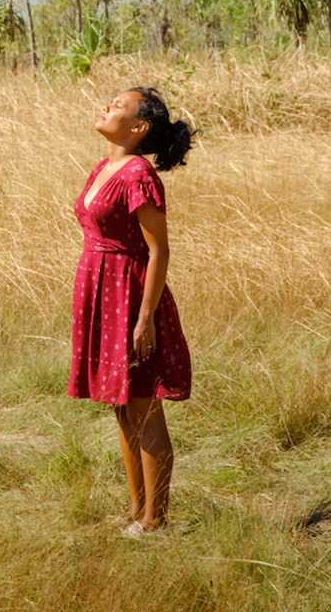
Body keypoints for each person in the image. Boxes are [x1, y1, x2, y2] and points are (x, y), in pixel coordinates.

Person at [68, 86, 196, 537]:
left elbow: (159, 250)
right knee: (123, 409)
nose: (107, 107)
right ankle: (138, 513)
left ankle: (155, 522)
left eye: (119, 106)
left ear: (139, 127)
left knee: (144, 408)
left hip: (131, 295)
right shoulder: (104, 167)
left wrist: (145, 319)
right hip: (102, 294)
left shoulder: (139, 174)